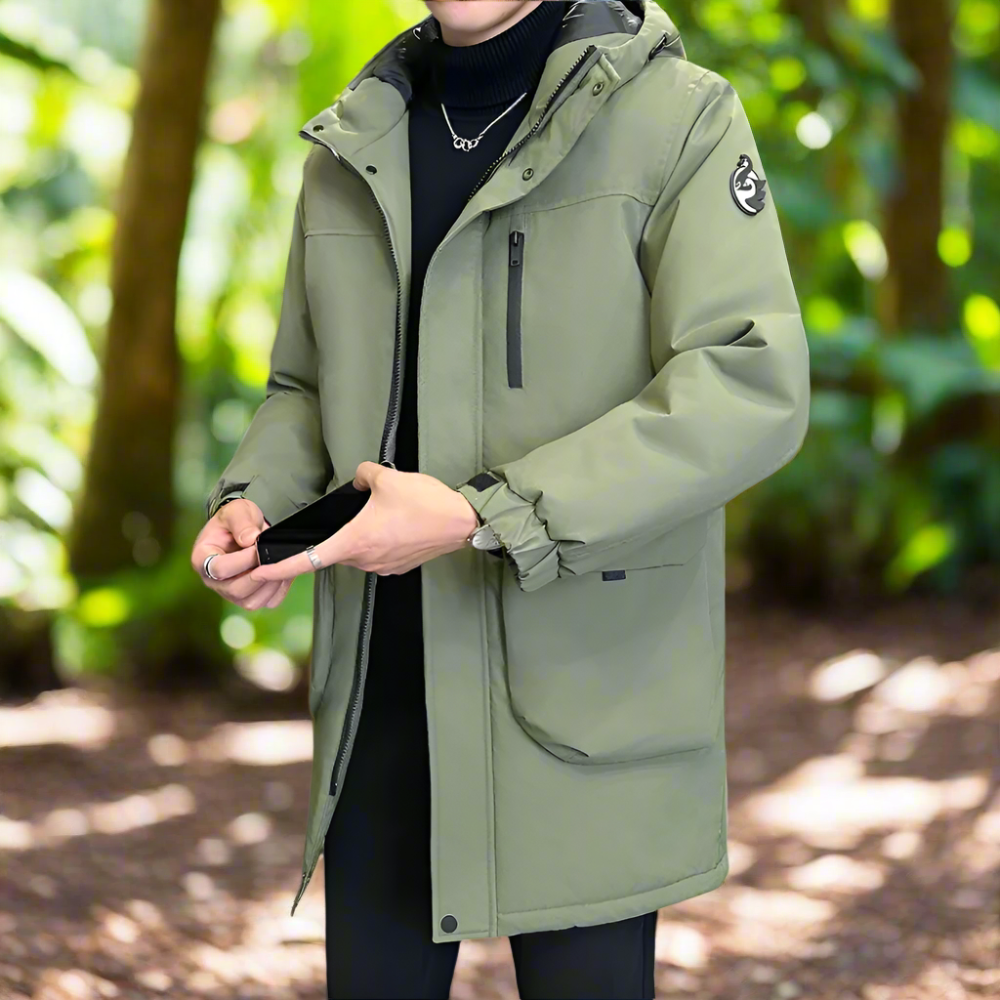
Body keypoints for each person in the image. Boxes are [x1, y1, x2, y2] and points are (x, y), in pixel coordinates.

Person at [191, 1, 811, 996]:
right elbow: (306, 387)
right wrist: (255, 497)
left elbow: (747, 383)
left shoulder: (678, 117)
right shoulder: (353, 141)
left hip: (585, 695)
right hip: (381, 697)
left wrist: (489, 512)